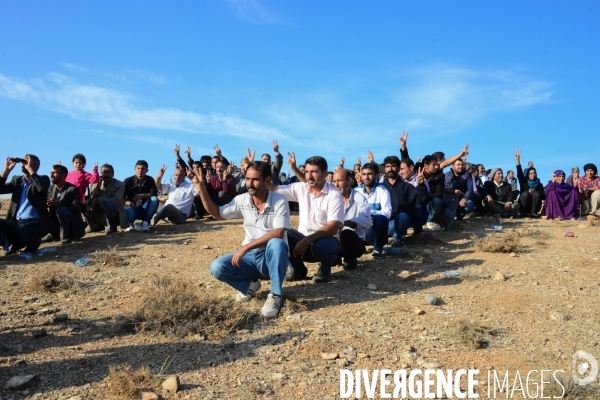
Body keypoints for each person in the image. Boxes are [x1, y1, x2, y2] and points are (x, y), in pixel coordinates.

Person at [191, 161, 290, 318]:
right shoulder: (242, 200)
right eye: (248, 179)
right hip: (250, 258)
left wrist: (245, 248)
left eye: (255, 179)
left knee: (277, 244)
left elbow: (278, 232)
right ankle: (250, 286)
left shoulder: (279, 200)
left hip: (271, 258)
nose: (250, 184)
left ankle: (275, 294)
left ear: (267, 181)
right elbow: (217, 213)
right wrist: (202, 190)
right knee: (218, 267)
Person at [270, 154, 344, 283]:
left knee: (326, 246)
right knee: (281, 233)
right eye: (307, 171)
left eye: (314, 172)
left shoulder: (334, 195)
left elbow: (332, 228)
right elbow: (274, 189)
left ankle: (325, 268)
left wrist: (307, 240)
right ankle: (298, 270)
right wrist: (259, 175)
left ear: (325, 174)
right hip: (302, 241)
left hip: (323, 242)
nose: (309, 176)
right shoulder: (301, 188)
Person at [0, 155, 50, 254]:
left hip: (34, 222)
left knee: (24, 234)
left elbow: (42, 188)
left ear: (36, 166)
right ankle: (14, 244)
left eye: (27, 162)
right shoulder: (17, 180)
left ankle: (32, 241)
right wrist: (6, 171)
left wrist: (31, 170)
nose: (24, 164)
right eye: (23, 162)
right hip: (15, 222)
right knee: (17, 233)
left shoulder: (43, 179)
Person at [332, 168, 371, 270]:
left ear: (349, 180)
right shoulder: (331, 199)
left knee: (346, 233)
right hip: (335, 240)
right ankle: (332, 258)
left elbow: (367, 220)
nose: (336, 185)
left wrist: (346, 223)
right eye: (334, 181)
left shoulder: (359, 198)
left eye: (339, 181)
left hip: (354, 241)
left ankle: (350, 259)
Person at [354, 163, 391, 259]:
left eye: (369, 174)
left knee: (381, 219)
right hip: (359, 229)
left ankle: (378, 249)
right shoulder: (355, 191)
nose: (366, 177)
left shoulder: (382, 191)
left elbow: (387, 212)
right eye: (364, 174)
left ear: (377, 175)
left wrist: (368, 213)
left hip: (373, 230)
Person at [45, 164, 86, 244]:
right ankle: (53, 234)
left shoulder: (72, 189)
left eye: (55, 172)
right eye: (51, 172)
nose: (51, 175)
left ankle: (66, 236)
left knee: (62, 210)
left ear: (63, 175)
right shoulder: (50, 188)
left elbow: (76, 208)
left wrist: (59, 203)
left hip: (72, 225)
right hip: (56, 222)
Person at [84, 163, 128, 234]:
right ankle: (95, 226)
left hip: (115, 214)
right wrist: (97, 188)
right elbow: (91, 198)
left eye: (108, 172)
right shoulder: (96, 183)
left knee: (108, 204)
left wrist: (99, 200)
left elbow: (116, 200)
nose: (106, 175)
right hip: (101, 214)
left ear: (113, 174)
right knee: (85, 204)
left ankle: (112, 226)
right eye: (104, 172)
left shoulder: (120, 184)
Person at [123, 160, 159, 232]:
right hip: (132, 207)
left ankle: (145, 223)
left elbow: (154, 194)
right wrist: (130, 203)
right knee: (128, 211)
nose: (140, 170)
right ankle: (130, 224)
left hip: (145, 207)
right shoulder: (127, 181)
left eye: (143, 168)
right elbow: (122, 197)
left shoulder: (150, 180)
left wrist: (142, 195)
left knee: (155, 199)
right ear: (135, 169)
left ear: (147, 170)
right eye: (138, 168)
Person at [515, 150, 545, 216]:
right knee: (525, 193)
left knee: (536, 194)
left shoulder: (539, 184)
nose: (532, 174)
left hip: (535, 207)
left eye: (534, 173)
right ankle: (523, 212)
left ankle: (533, 213)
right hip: (524, 206)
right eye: (530, 173)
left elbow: (543, 196)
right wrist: (518, 160)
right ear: (528, 175)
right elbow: (519, 172)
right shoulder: (524, 182)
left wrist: (535, 192)